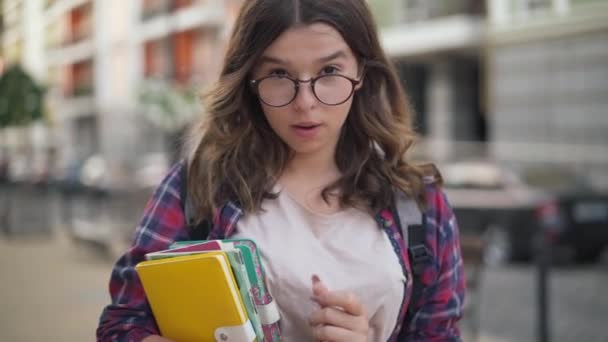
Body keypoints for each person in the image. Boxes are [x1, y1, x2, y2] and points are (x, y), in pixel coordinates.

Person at [97, 0, 465, 341]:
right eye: (278, 74)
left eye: (330, 71)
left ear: (363, 73)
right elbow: (123, 324)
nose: (305, 103)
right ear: (249, 80)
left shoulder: (419, 202)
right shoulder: (198, 186)